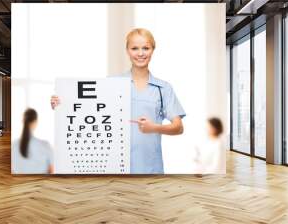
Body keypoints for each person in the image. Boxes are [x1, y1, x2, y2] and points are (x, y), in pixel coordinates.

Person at [51, 28, 186, 174]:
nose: (140, 53)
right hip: (114, 169)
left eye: (145, 48)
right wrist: (62, 104)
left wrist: (153, 128)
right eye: (135, 48)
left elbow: (178, 127)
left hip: (151, 170)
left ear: (153, 50)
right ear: (127, 50)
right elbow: (87, 110)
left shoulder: (163, 88)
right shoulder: (112, 84)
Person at [13, 108, 54, 174]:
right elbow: (52, 170)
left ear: (22, 121)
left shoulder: (13, 145)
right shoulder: (45, 145)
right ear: (35, 122)